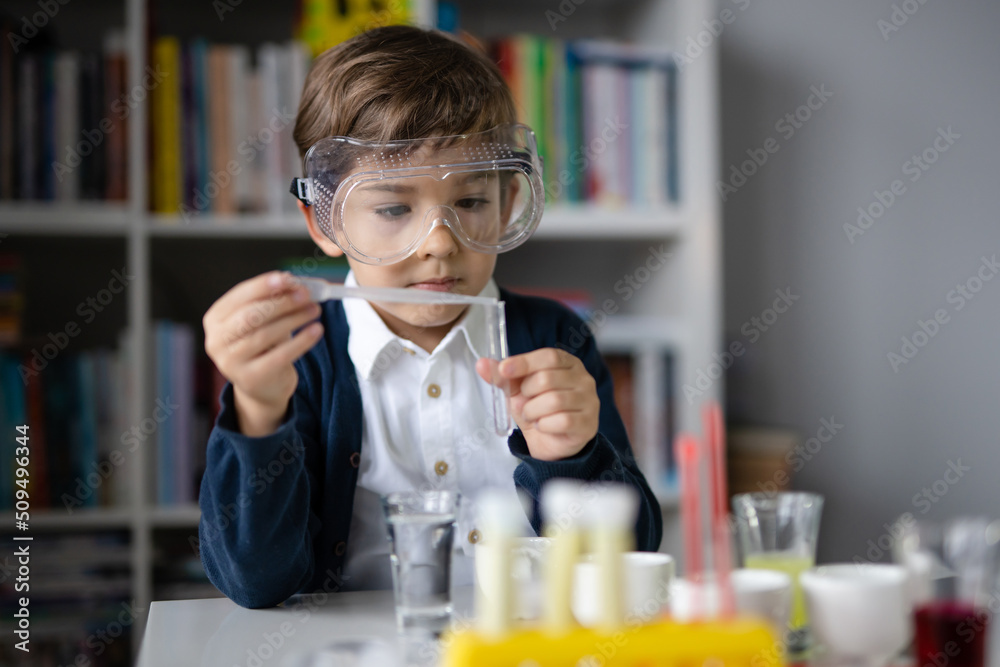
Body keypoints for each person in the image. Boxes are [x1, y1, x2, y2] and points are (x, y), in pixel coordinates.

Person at [198, 24, 662, 609]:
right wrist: (261, 412)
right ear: (324, 222)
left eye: (470, 202)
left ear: (508, 204)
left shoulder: (554, 339)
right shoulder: (298, 361)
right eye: (393, 207)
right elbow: (256, 581)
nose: (439, 243)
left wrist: (571, 456)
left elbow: (626, 563)